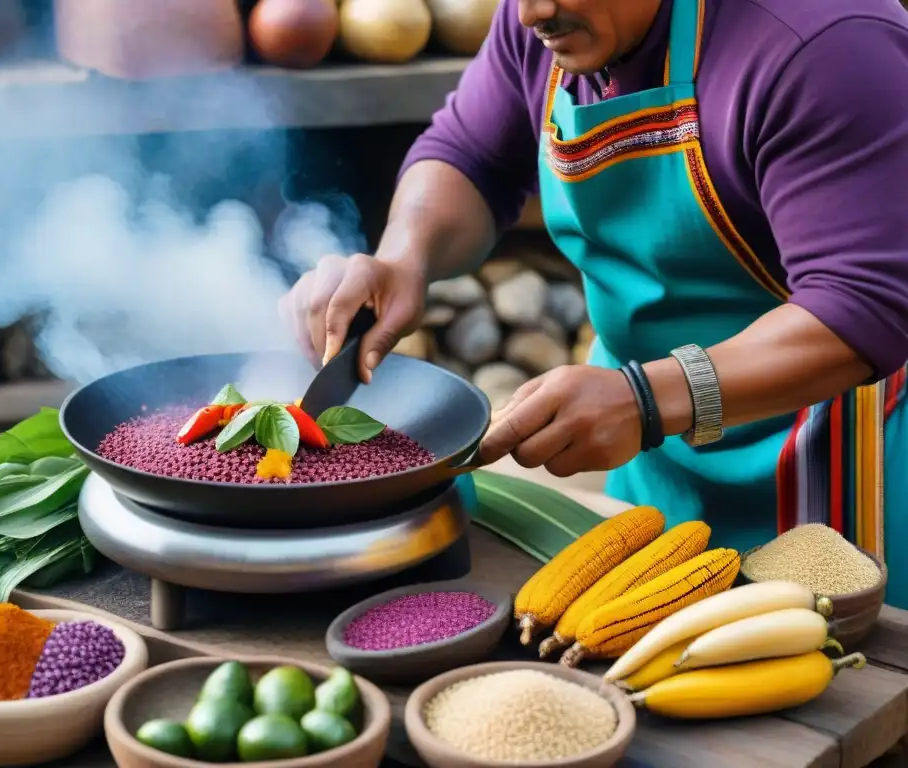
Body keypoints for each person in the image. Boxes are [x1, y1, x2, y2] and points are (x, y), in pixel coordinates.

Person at [279, 0, 908, 607]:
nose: (528, 15)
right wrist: (402, 258)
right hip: (652, 463)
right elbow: (470, 156)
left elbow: (864, 302)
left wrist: (642, 400)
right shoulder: (551, 20)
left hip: (841, 477)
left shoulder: (827, 42)